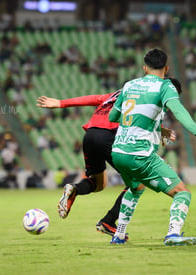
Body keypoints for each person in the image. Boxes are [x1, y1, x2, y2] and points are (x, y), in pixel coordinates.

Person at [36, 80, 178, 237]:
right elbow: (137, 118)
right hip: (108, 135)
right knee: (138, 183)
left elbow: (93, 98)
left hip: (90, 135)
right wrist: (161, 130)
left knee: (99, 184)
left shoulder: (116, 94)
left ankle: (74, 189)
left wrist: (61, 103)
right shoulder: (143, 96)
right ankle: (108, 222)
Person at [108, 48, 196, 246]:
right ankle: (173, 234)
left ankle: (119, 234)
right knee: (182, 192)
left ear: (144, 68)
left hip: (118, 152)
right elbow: (179, 111)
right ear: (167, 68)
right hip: (140, 154)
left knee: (136, 187)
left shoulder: (129, 85)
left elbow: (113, 117)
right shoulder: (165, 86)